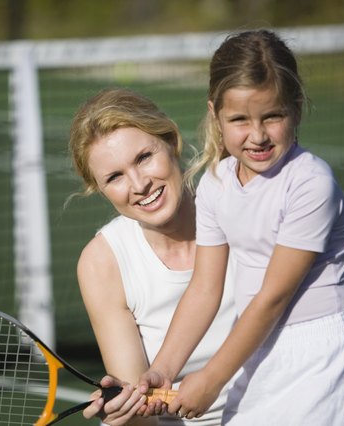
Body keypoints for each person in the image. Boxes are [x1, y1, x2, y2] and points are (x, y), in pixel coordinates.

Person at [138, 30, 344, 425]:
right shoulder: (216, 183)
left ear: (296, 109)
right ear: (215, 114)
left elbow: (272, 298)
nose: (258, 135)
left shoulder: (310, 182)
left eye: (273, 116)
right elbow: (204, 288)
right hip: (257, 354)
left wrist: (213, 378)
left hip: (320, 359)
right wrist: (162, 369)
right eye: (239, 120)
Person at [68, 88, 237, 425]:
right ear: (100, 189)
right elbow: (143, 416)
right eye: (114, 177)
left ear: (172, 141)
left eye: (144, 157)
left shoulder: (239, 207)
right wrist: (123, 414)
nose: (139, 184)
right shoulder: (102, 263)